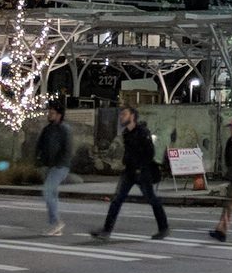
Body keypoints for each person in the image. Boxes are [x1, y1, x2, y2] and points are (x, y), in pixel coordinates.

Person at [90, 106, 169, 241]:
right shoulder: (126, 133)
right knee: (117, 200)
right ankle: (106, 230)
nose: (121, 117)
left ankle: (163, 228)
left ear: (132, 116)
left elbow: (150, 153)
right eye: (121, 114)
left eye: (124, 114)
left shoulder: (143, 132)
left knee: (152, 199)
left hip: (143, 172)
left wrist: (139, 167)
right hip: (129, 171)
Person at [34, 102, 71, 236]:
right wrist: (39, 160)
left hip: (60, 166)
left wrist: (60, 163)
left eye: (52, 113)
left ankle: (56, 222)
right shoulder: (47, 129)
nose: (49, 115)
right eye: (49, 112)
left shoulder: (64, 129)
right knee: (52, 195)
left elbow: (67, 148)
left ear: (59, 115)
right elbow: (40, 145)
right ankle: (56, 228)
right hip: (49, 166)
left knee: (47, 192)